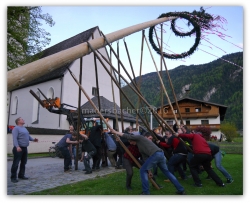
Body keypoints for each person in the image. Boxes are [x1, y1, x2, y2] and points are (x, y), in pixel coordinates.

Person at [110, 128, 185, 195]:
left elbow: (127, 136)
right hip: (161, 155)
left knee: (142, 170)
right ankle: (180, 189)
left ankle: (146, 192)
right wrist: (149, 172)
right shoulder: (140, 147)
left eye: (131, 141)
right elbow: (145, 159)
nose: (131, 143)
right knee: (166, 172)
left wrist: (115, 132)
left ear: (134, 139)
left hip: (156, 154)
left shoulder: (140, 137)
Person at [10, 117, 38, 183]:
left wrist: (33, 139)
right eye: (22, 119)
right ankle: (13, 177)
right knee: (16, 163)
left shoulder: (24, 128)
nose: (24, 120)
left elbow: (28, 136)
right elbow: (15, 139)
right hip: (18, 148)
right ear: (18, 121)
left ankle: (21, 175)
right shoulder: (16, 128)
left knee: (23, 162)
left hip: (25, 148)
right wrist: (17, 146)